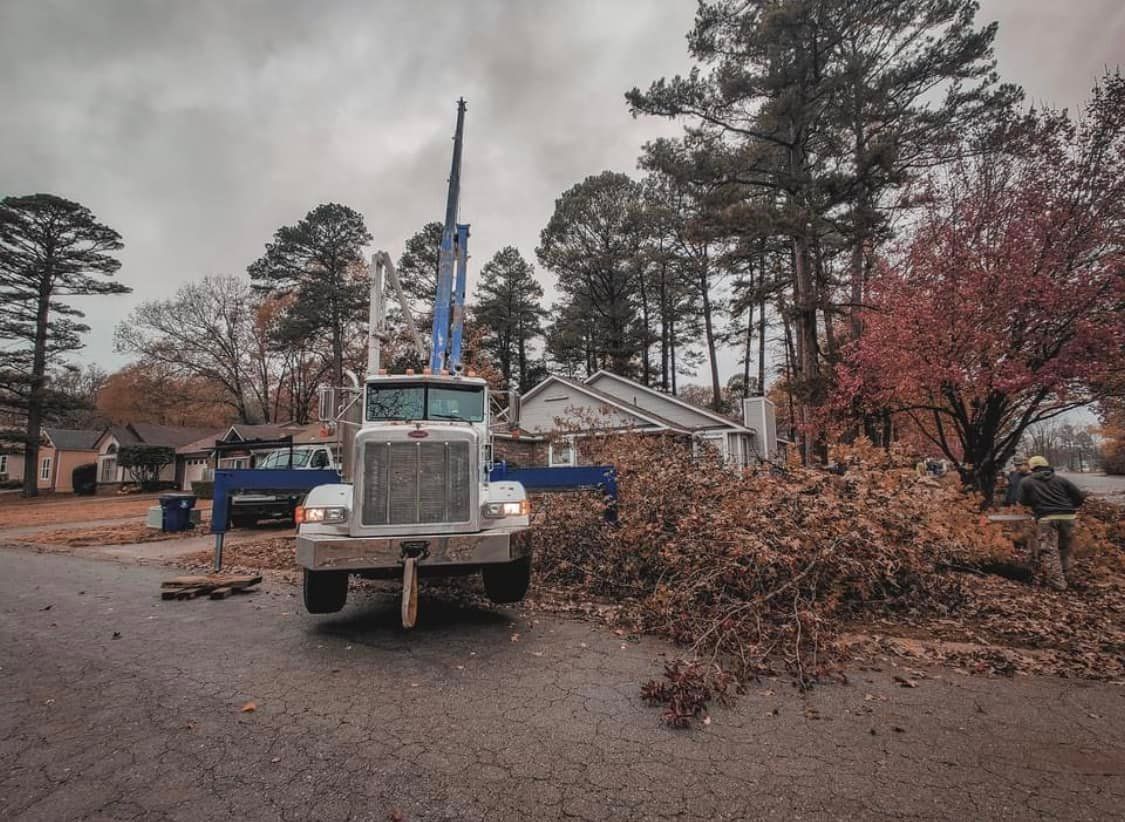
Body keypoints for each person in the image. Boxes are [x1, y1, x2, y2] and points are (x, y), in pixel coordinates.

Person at [1017, 455, 1087, 590]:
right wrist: (1067, 506)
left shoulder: (1026, 482)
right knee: (1065, 549)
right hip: (1069, 517)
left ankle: (1058, 583)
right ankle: (1067, 576)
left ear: (1032, 467)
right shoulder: (1061, 480)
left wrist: (1037, 503)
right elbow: (1079, 497)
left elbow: (1023, 501)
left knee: (1049, 550)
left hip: (1046, 519)